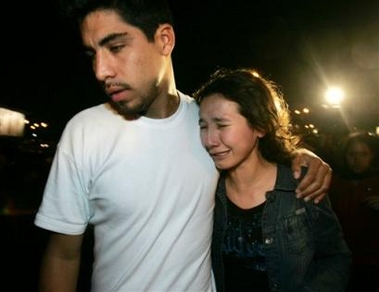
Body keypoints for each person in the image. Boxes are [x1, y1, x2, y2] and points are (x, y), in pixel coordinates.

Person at [34, 1, 332, 291]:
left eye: (115, 47)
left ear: (164, 39)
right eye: (92, 54)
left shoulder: (205, 124)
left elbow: (253, 147)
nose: (101, 71)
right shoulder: (84, 131)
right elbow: (63, 255)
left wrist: (299, 155)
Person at [194, 68, 351, 292]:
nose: (209, 139)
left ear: (259, 125)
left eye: (222, 125)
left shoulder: (301, 185)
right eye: (203, 126)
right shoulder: (205, 187)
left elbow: (335, 257)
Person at [328, 131, 379, 292]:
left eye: (363, 154)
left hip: (373, 260)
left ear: (372, 156)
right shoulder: (333, 182)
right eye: (352, 154)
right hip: (340, 257)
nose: (357, 160)